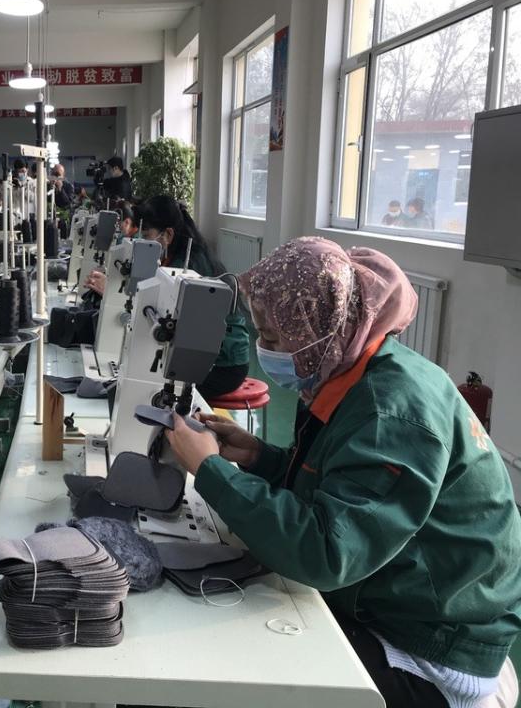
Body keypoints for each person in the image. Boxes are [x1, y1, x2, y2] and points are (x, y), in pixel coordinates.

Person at [165, 237, 521, 708]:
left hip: (436, 653)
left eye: (272, 337)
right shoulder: (353, 369)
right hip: (401, 600)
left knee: (236, 663)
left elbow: (329, 554)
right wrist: (259, 459)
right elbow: (340, 491)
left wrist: (210, 470)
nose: (262, 349)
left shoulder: (389, 414)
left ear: (323, 326)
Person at [138, 195, 249, 398]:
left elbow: (168, 321)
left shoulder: (187, 266)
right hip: (211, 355)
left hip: (224, 366)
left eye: (146, 235)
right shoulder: (180, 257)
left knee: (148, 383)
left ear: (168, 234)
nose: (142, 241)